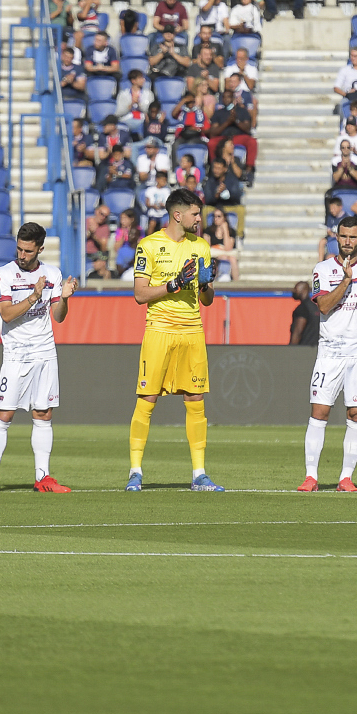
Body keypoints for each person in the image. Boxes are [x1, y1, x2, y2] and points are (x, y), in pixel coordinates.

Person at [128, 187, 221, 492]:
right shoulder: (149, 246)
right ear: (177, 215)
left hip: (192, 330)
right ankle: (136, 471)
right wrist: (172, 284)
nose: (199, 218)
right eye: (195, 213)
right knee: (147, 399)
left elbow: (207, 301)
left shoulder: (201, 247)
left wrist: (206, 285)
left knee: (195, 399)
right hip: (160, 329)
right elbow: (140, 295)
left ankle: (199, 473)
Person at [0, 222, 79, 495]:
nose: (22, 255)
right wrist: (33, 296)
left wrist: (63, 298)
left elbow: (58, 317)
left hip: (44, 352)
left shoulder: (52, 273)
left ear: (40, 248)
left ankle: (43, 477)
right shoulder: (4, 274)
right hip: (16, 354)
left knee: (44, 413)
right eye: (19, 249)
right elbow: (5, 314)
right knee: (4, 415)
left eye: (28, 250)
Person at [299, 217, 357, 494]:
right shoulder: (322, 269)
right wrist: (347, 280)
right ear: (337, 237)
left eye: (352, 237)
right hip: (330, 350)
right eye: (343, 236)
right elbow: (323, 306)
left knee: (356, 412)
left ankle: (346, 478)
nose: (347, 241)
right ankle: (311, 477)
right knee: (320, 411)